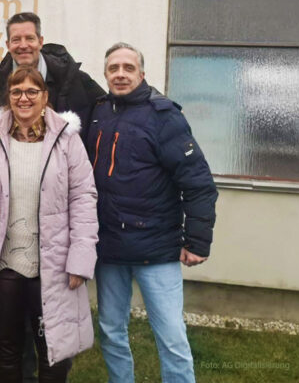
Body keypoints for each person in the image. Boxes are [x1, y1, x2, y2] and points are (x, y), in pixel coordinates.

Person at [87, 42, 218, 383]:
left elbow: (199, 183)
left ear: (142, 74)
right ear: (105, 74)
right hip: (110, 248)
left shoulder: (164, 117)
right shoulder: (99, 112)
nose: (120, 74)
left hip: (156, 249)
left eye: (128, 68)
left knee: (171, 337)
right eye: (113, 68)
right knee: (111, 330)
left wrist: (197, 241)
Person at [0, 66, 98, 382]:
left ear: (45, 97)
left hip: (54, 266)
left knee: (53, 347)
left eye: (32, 91)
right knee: (7, 345)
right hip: (4, 265)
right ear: (8, 97)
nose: (24, 98)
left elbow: (84, 200)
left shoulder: (67, 140)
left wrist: (80, 259)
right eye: (17, 92)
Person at [0, 12, 105, 141]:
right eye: (16, 40)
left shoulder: (77, 82)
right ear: (8, 45)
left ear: (40, 42)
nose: (23, 45)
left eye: (29, 38)